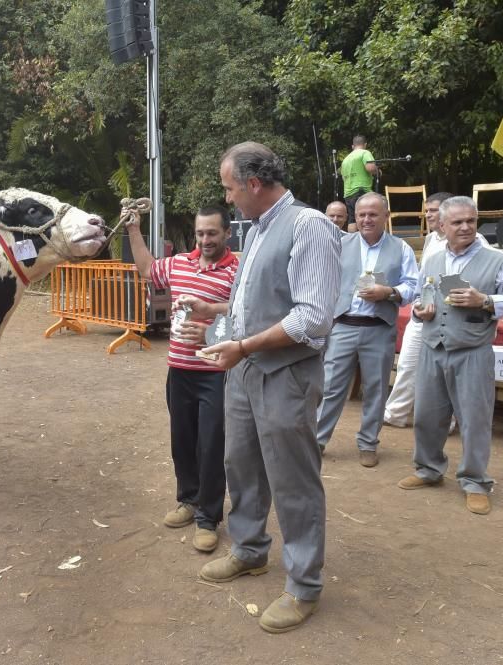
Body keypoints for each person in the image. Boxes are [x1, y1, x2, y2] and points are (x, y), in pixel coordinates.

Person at [184, 141, 341, 633]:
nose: (227, 199)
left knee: (293, 479)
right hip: (246, 371)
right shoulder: (257, 231)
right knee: (242, 464)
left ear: (253, 184)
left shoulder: (308, 226)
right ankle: (250, 550)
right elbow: (257, 298)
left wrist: (245, 346)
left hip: (286, 375)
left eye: (230, 188)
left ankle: (303, 586)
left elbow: (313, 317)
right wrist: (219, 313)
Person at [398, 196, 503, 516]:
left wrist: (484, 300)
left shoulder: (498, 260)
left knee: (474, 420)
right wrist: (420, 312)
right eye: (457, 222)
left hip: (472, 351)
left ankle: (475, 481)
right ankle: (428, 469)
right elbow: (422, 298)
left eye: (471, 220)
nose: (466, 227)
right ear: (442, 226)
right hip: (433, 347)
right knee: (427, 415)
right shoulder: (432, 259)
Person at [126, 205, 239, 554]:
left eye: (212, 233)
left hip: (215, 373)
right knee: (183, 441)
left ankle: (208, 517)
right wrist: (134, 229)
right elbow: (147, 268)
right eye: (201, 233)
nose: (205, 240)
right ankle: (188, 500)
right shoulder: (179, 264)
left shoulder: (238, 270)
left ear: (227, 234)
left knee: (211, 445)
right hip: (179, 370)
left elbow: (244, 311)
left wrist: (209, 315)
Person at [315, 193, 418, 467]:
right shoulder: (339, 243)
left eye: (373, 214)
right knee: (330, 387)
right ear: (355, 217)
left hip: (379, 328)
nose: (366, 219)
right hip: (344, 326)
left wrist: (390, 292)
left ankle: (368, 443)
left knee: (375, 389)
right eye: (361, 214)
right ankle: (317, 441)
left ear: (386, 216)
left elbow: (413, 286)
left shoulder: (401, 248)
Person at [383, 193, 492, 428]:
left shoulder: (478, 241)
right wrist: (420, 306)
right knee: (408, 365)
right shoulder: (431, 239)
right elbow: (425, 280)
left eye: (433, 210)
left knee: (450, 375)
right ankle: (396, 414)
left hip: (458, 321)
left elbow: (486, 281)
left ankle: (449, 422)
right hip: (424, 315)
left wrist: (480, 300)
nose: (428, 215)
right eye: (428, 210)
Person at [341, 135, 378, 226]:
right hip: (362, 191)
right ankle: (371, 239)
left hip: (348, 193)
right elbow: (370, 168)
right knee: (371, 216)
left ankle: (352, 240)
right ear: (365, 144)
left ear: (353, 146)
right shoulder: (365, 153)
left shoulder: (345, 159)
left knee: (352, 219)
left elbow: (343, 178)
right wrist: (378, 171)